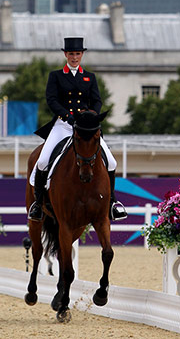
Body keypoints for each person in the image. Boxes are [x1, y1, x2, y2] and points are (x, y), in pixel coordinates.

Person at [28, 36, 127, 222]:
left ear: (82, 55)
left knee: (112, 162)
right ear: (66, 54)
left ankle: (113, 203)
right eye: (71, 54)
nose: (75, 57)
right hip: (63, 125)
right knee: (41, 161)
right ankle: (38, 204)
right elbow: (52, 100)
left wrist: (91, 117)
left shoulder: (90, 77)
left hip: (85, 128)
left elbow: (97, 100)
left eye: (78, 54)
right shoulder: (56, 76)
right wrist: (68, 116)